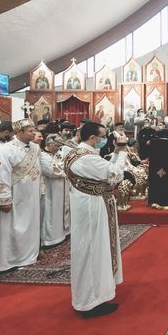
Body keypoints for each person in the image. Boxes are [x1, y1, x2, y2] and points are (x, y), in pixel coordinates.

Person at [63, 122, 128, 317]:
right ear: (93, 138)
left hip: (88, 203)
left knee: (92, 249)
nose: (104, 140)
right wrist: (123, 151)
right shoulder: (87, 159)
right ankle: (91, 301)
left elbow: (105, 167)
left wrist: (115, 153)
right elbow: (115, 174)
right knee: (94, 250)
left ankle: (94, 295)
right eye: (102, 136)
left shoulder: (77, 153)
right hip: (93, 207)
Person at [0, 119, 42, 271]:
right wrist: (4, 199)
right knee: (10, 226)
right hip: (14, 193)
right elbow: (2, 174)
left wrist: (40, 188)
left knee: (30, 223)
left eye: (34, 130)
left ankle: (30, 254)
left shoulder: (35, 148)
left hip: (31, 193)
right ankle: (8, 260)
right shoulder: (6, 150)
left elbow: (38, 170)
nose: (34, 133)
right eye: (30, 131)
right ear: (19, 132)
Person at [40, 134, 69, 247]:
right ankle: (50, 239)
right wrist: (63, 170)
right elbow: (52, 171)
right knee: (51, 211)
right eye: (56, 146)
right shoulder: (42, 156)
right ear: (48, 144)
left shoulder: (60, 154)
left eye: (59, 146)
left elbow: (67, 165)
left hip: (63, 187)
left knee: (61, 209)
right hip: (50, 188)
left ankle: (63, 233)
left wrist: (62, 168)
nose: (58, 148)